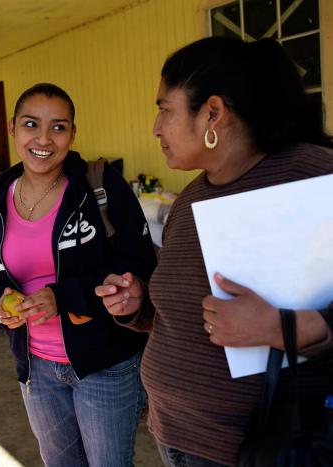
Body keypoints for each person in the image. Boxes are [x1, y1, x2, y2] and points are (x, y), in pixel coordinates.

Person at [96, 36, 333, 467]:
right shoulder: (190, 201)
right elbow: (183, 316)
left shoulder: (311, 176)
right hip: (176, 437)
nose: (155, 127)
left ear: (212, 112)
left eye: (165, 109)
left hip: (263, 450)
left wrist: (285, 328)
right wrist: (138, 304)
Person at [0, 83, 157, 466]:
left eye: (58, 127)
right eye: (30, 125)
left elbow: (138, 268)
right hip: (36, 366)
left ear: (72, 133)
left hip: (105, 362)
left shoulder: (99, 187)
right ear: (12, 128)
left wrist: (65, 296)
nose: (43, 139)